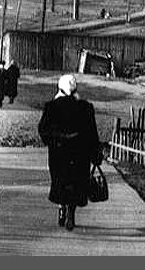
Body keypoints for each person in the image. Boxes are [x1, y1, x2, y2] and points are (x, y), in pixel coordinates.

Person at [37, 74, 102, 231]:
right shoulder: (85, 107)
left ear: (59, 88)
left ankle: (61, 208)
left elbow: (43, 130)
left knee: (61, 181)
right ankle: (71, 212)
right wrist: (95, 152)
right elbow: (92, 133)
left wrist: (53, 141)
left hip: (59, 153)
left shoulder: (51, 106)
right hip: (80, 153)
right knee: (76, 182)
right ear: (75, 89)